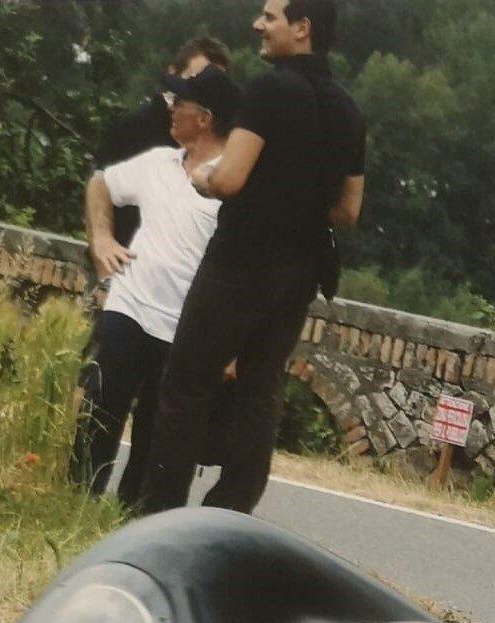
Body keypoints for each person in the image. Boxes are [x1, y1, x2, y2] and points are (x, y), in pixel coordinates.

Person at [138, 0, 366, 515]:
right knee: (260, 392)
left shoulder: (269, 90)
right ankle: (229, 513)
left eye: (270, 17)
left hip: (240, 261)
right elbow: (349, 210)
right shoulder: (348, 111)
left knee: (186, 383)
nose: (258, 25)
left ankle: (159, 516)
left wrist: (204, 177)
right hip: (301, 271)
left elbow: (230, 179)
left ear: (302, 28)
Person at [71, 66, 241, 505]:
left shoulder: (231, 182)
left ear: (204, 118)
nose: (171, 108)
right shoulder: (158, 162)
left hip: (184, 326)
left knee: (157, 435)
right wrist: (101, 237)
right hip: (129, 306)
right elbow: (101, 183)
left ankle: (135, 519)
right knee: (99, 410)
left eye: (179, 102)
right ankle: (76, 503)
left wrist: (232, 345)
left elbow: (245, 269)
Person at [94, 37, 231, 249]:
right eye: (194, 79)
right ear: (174, 74)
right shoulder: (135, 128)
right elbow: (100, 183)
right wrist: (102, 240)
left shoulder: (230, 160)